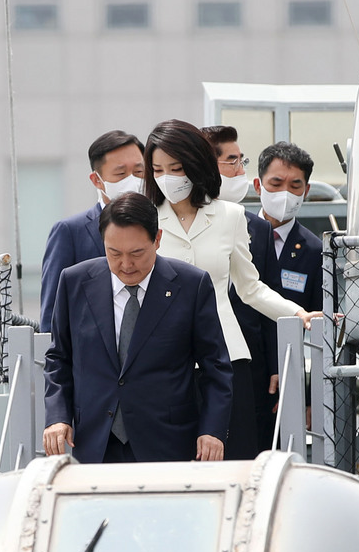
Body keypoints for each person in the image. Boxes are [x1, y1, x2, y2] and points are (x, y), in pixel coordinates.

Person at [144, 119, 318, 460]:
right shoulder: (144, 218)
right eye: (158, 169)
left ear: (196, 164)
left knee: (234, 457)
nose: (167, 177)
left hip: (226, 357)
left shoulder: (231, 216)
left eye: (176, 168)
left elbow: (251, 288)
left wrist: (297, 313)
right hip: (163, 359)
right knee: (172, 461)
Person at [43, 192, 233, 465]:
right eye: (114, 253)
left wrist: (212, 431)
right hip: (95, 441)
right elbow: (59, 358)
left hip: (166, 442)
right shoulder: (74, 282)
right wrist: (58, 417)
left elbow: (215, 367)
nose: (126, 265)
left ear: (157, 239)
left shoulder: (191, 285)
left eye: (136, 253)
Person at [201, 124, 279, 451]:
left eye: (241, 160)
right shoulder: (167, 223)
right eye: (231, 161)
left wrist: (277, 364)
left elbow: (264, 290)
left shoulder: (257, 228)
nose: (239, 170)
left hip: (249, 361)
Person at [40, 129, 145, 332]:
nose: (133, 180)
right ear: (97, 180)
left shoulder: (162, 224)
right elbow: (52, 314)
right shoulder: (70, 232)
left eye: (139, 172)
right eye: (121, 173)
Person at [255, 141, 323, 313]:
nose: (285, 194)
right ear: (258, 186)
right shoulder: (237, 233)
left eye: (294, 186)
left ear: (306, 191)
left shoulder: (315, 251)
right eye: (276, 184)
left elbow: (319, 317)